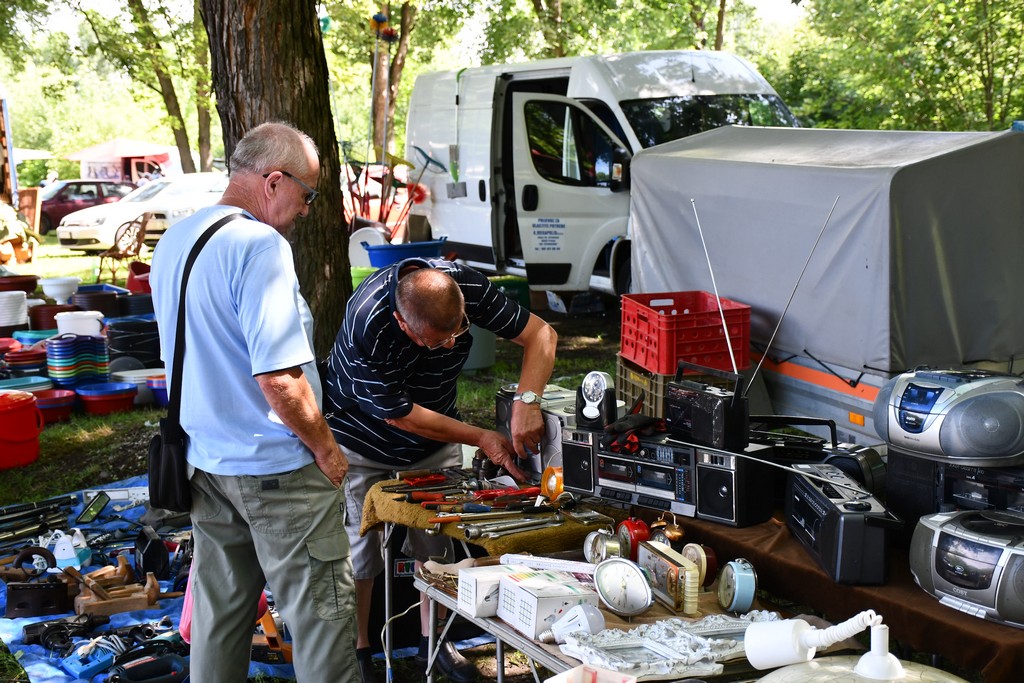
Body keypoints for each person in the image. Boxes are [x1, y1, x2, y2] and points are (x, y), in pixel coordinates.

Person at [150, 121, 357, 682]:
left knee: (219, 619)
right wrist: (326, 448)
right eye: (307, 195)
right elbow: (280, 380)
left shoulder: (177, 238)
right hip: (275, 467)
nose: (307, 210)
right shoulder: (260, 245)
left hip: (206, 461)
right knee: (323, 620)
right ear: (273, 181)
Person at [324, 260, 558, 683]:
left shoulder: (464, 286)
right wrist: (481, 437)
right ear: (402, 322)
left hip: (434, 437)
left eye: (458, 331)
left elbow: (542, 334)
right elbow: (400, 415)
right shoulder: (367, 321)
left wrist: (528, 401)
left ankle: (433, 643)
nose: (451, 345)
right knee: (360, 552)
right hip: (362, 439)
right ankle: (358, 651)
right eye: (436, 341)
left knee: (437, 545)